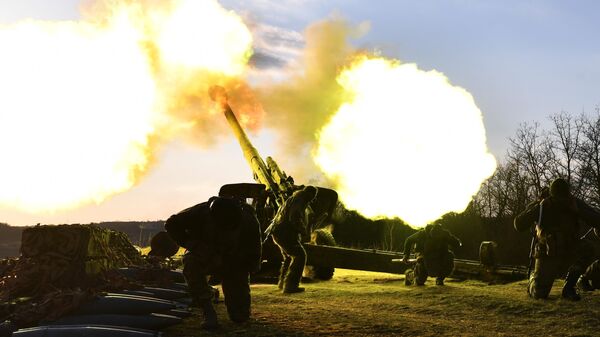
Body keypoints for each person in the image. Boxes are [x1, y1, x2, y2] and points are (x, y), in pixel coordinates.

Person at [164, 196, 262, 329]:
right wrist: (193, 244)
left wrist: (251, 265)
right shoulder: (199, 212)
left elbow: (255, 245)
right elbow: (171, 224)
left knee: (240, 316)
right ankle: (207, 310)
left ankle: (238, 309)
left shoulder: (248, 219)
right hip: (206, 255)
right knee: (191, 262)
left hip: (233, 260)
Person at [514, 178, 600, 300]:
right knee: (539, 294)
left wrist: (579, 211)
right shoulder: (543, 205)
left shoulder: (573, 203)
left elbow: (597, 220)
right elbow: (519, 224)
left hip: (570, 248)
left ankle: (569, 286)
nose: (562, 201)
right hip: (548, 252)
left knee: (588, 248)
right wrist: (538, 206)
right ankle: (533, 279)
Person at [270, 186, 317, 294]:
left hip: (278, 232)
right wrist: (303, 231)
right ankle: (291, 285)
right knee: (300, 256)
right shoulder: (300, 200)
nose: (312, 199)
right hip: (285, 233)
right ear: (310, 194)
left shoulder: (293, 198)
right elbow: (294, 217)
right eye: (313, 196)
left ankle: (282, 283)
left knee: (288, 257)